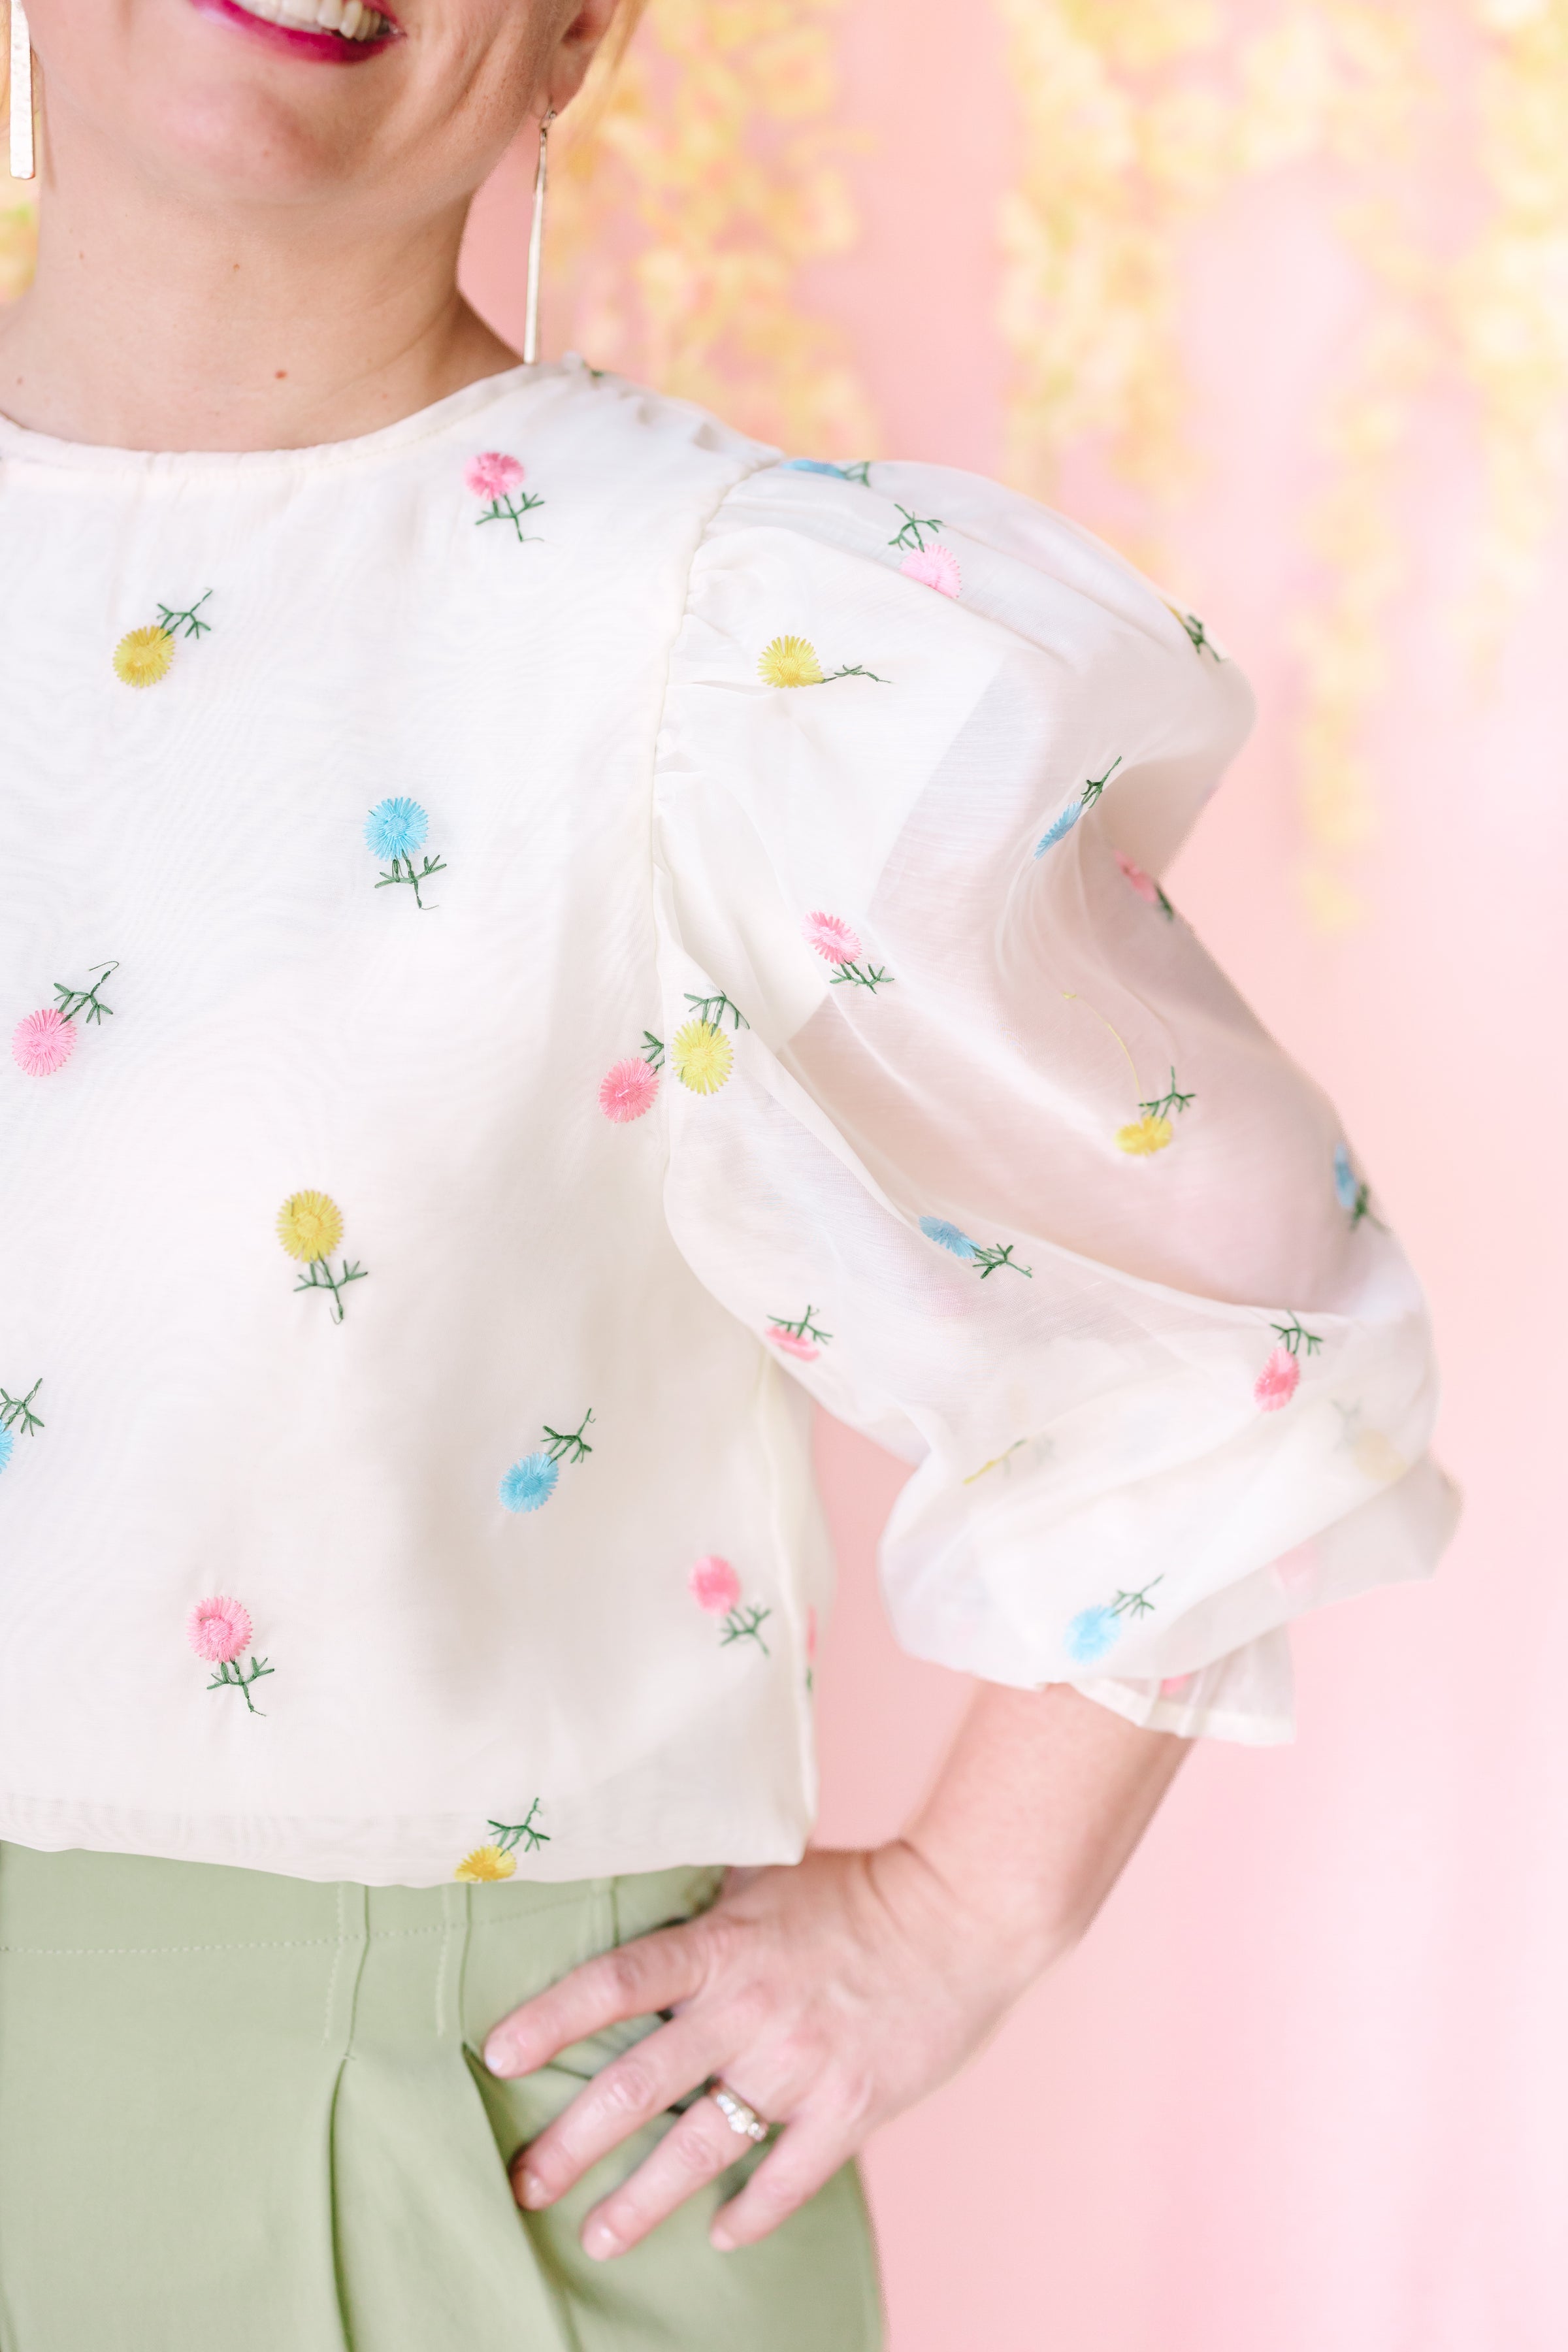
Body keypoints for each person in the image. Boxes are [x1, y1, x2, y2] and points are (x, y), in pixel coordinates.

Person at [0, 0, 1457, 2344]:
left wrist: (960, 1916)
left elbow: (1245, 1310)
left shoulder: (713, 634)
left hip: (421, 2155)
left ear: (581, 29)